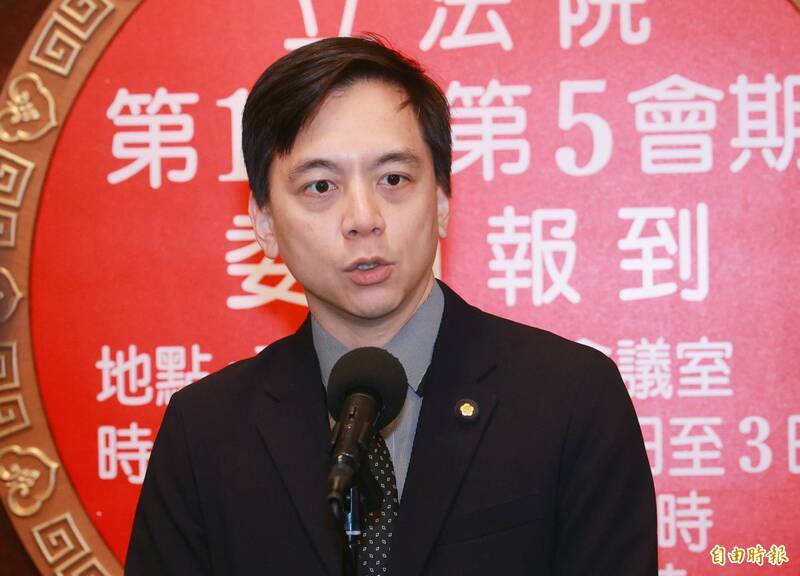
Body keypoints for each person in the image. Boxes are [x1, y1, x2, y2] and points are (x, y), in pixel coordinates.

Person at [125, 35, 657, 575]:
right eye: (320, 186)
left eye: (393, 179)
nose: (363, 218)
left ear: (442, 200)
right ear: (263, 222)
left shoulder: (570, 398)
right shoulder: (205, 433)